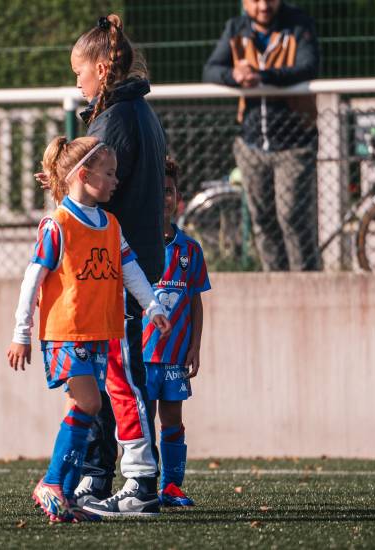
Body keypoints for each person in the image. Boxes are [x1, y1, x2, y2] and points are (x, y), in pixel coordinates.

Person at [9, 135, 170, 522]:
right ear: (84, 175)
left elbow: (129, 268)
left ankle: (62, 496)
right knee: (91, 404)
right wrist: (22, 331)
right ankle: (51, 482)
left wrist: (152, 305)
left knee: (81, 407)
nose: (117, 180)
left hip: (99, 332)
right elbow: (33, 278)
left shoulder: (110, 223)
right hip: (67, 332)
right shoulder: (58, 224)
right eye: (110, 173)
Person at [66, 14, 169, 517]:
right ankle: (101, 473)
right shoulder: (138, 113)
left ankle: (140, 482)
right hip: (136, 261)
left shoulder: (115, 121)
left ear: (102, 70)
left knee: (121, 375)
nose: (77, 83)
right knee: (118, 373)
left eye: (80, 73)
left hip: (119, 267)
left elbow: (100, 196)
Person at [203, 0, 321, 271]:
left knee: (293, 216)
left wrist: (262, 76)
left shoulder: (298, 24)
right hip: (252, 143)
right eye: (255, 0)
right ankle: (276, 281)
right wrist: (235, 74)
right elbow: (210, 69)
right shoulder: (236, 28)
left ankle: (306, 282)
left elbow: (309, 65)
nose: (263, 5)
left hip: (295, 141)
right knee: (262, 220)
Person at [143, 158, 211, 508]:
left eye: (168, 192)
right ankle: (142, 485)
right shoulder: (135, 246)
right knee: (142, 420)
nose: (163, 198)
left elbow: (196, 302)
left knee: (173, 419)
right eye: (157, 192)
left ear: (178, 197)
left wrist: (195, 347)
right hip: (142, 356)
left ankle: (171, 486)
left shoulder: (190, 250)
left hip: (174, 356)